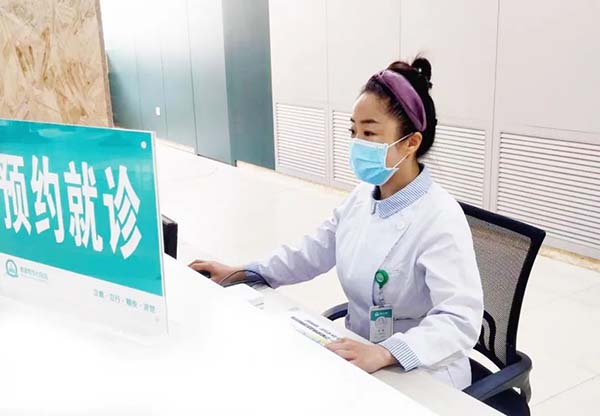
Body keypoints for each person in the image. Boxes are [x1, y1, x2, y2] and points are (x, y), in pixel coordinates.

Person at [189, 57, 484, 389]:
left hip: (424, 371)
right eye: (353, 131)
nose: (357, 142)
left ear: (411, 143)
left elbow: (460, 319)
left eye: (369, 132)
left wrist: (386, 352)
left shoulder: (440, 216)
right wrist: (243, 272)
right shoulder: (362, 197)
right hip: (360, 354)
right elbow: (311, 251)